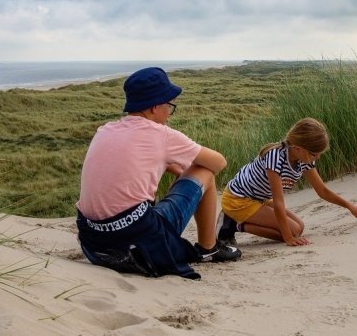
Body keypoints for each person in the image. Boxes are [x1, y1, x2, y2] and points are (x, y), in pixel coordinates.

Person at [76, 67, 241, 280]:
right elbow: (219, 162)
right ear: (154, 107)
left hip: (95, 244)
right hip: (136, 242)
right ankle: (209, 248)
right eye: (169, 106)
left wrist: (173, 167)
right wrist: (185, 171)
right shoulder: (160, 135)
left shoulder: (105, 130)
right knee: (205, 171)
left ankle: (207, 245)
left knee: (186, 171)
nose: (169, 114)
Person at [218, 117, 357, 246]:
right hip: (238, 199)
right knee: (293, 231)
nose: (317, 157)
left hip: (260, 198)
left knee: (299, 227)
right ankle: (233, 225)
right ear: (297, 148)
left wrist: (350, 206)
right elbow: (278, 203)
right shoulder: (275, 157)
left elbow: (322, 191)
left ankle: (237, 224)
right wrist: (288, 238)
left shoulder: (304, 159)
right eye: (314, 154)